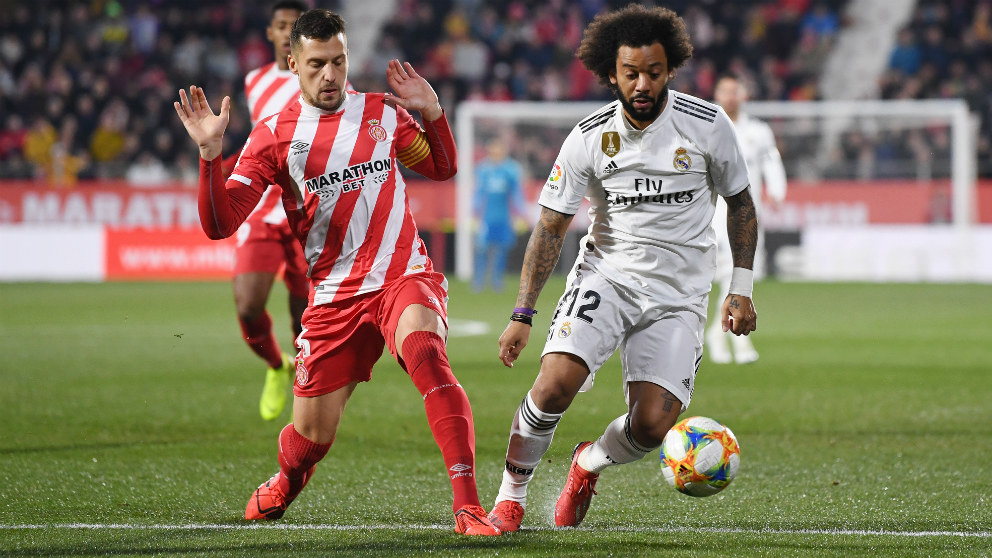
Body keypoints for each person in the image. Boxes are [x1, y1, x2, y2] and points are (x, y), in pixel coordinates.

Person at [174, 9, 500, 536]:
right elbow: (221, 223)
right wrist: (211, 156)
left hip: (401, 275)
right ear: (293, 64)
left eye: (339, 62)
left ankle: (468, 507)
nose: (330, 75)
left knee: (426, 353)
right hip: (332, 297)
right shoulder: (273, 137)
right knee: (310, 439)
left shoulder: (382, 113)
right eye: (318, 64)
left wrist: (434, 114)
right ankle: (287, 477)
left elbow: (441, 167)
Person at [486, 4, 758, 532]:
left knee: (654, 425)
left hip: (679, 295)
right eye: (630, 73)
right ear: (612, 73)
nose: (642, 84)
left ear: (669, 70)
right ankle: (509, 496)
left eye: (653, 73)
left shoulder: (706, 125)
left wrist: (740, 288)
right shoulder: (589, 136)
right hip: (606, 277)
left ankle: (586, 464)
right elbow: (549, 227)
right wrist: (523, 311)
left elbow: (742, 204)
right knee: (553, 384)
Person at [230, 1, 310, 421]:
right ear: (270, 33)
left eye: (294, 26)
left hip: (307, 211)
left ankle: (307, 391)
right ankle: (276, 366)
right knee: (247, 304)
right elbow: (260, 137)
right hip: (263, 208)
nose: (286, 32)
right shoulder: (254, 80)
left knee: (305, 317)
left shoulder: (321, 77)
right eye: (281, 26)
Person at [707, 73, 786, 364]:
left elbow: (771, 161)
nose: (729, 96)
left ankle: (718, 333)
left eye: (734, 91)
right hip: (717, 212)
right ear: (716, 95)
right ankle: (738, 340)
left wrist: (777, 189)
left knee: (744, 273)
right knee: (731, 273)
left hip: (751, 211)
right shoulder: (707, 127)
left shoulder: (758, 131)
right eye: (724, 91)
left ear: (743, 95)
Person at [472, 136, 526, 292]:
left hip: (504, 217)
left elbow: (516, 193)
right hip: (486, 218)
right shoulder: (483, 169)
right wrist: (475, 212)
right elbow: (478, 192)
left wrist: (520, 212)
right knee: (482, 248)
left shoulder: (511, 169)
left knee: (501, 249)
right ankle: (479, 280)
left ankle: (497, 280)